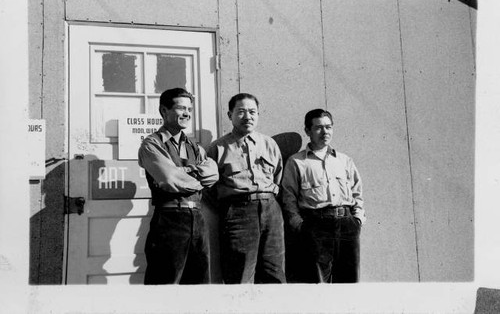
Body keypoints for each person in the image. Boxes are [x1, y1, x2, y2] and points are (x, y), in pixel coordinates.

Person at [138, 88, 219, 284]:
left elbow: (213, 174)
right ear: (164, 111)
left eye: (189, 109)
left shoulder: (195, 147)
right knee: (165, 284)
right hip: (169, 220)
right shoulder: (151, 144)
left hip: (198, 220)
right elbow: (170, 180)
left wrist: (183, 173)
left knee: (199, 284)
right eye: (181, 108)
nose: (187, 113)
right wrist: (195, 174)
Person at [207, 93, 286, 284]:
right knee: (239, 274)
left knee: (274, 271)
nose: (247, 117)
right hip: (237, 213)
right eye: (241, 112)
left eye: (252, 112)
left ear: (258, 114)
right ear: (229, 115)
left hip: (271, 210)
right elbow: (209, 189)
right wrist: (231, 207)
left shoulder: (269, 144)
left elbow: (278, 175)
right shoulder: (218, 148)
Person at [281, 109, 365, 283]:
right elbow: (288, 197)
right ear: (307, 131)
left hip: (347, 225)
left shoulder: (344, 160)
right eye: (319, 128)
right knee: (317, 283)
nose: (325, 132)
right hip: (315, 226)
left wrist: (357, 219)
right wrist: (300, 226)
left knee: (349, 283)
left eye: (328, 127)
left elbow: (357, 192)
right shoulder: (297, 162)